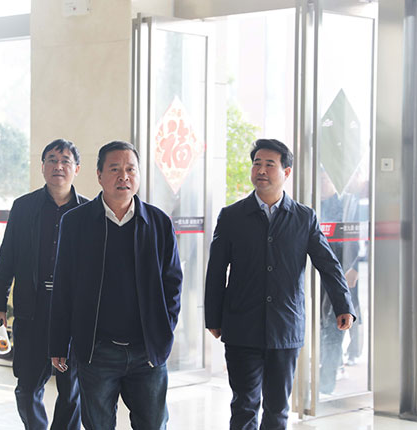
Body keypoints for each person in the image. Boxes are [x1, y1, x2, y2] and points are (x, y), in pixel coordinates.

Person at [204, 138, 355, 429]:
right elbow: (216, 271)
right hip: (242, 327)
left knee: (277, 408)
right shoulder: (232, 216)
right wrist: (214, 317)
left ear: (286, 172)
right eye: (257, 164)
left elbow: (328, 264)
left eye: (269, 165)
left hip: (285, 328)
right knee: (244, 405)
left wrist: (343, 305)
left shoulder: (304, 217)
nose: (261, 170)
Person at [49, 141, 183, 430]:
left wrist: (163, 331)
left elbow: (173, 284)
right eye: (114, 169)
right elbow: (63, 286)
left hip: (147, 352)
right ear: (99, 175)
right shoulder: (76, 223)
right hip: (97, 351)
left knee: (153, 424)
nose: (124, 176)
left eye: (131, 169)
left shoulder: (159, 223)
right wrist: (59, 342)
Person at [0, 139, 85, 430]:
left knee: (71, 390)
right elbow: (7, 259)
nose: (58, 166)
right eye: (52, 160)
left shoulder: (89, 211)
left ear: (76, 169)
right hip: (32, 311)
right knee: (27, 387)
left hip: (73, 316)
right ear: (42, 167)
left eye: (65, 161)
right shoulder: (24, 208)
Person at [319, 169, 360, 395]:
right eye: (321, 179)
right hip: (316, 277)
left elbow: (359, 239)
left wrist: (355, 267)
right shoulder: (311, 206)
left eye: (327, 179)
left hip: (340, 276)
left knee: (334, 327)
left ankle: (326, 384)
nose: (323, 183)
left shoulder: (347, 204)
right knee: (320, 326)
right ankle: (321, 376)